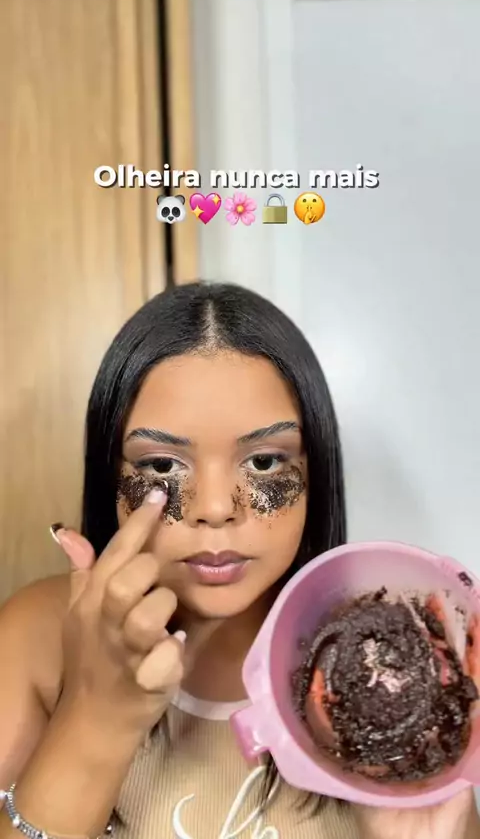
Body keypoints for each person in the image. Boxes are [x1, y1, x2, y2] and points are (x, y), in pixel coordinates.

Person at [0, 282, 478, 839]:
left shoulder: (392, 663)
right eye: (161, 467)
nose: (215, 508)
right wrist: (95, 720)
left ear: (315, 469)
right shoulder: (37, 640)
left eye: (265, 462)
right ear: (111, 473)